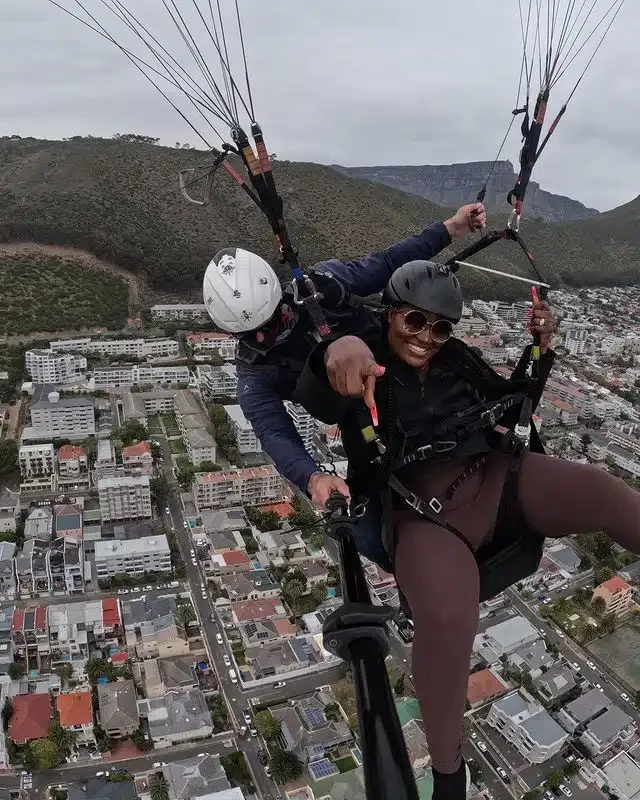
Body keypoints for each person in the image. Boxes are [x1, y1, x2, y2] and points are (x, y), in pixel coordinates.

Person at [292, 260, 640, 800]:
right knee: (450, 615)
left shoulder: (455, 360)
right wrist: (332, 351)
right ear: (389, 314)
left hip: (494, 476)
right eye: (415, 322)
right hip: (420, 510)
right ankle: (450, 774)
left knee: (603, 490)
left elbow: (514, 398)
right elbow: (317, 393)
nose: (427, 338)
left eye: (441, 327)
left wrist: (539, 350)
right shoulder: (365, 363)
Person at [202, 203, 487, 507]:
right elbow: (272, 430)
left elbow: (387, 262)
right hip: (362, 411)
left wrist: (452, 228)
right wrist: (313, 476)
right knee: (367, 528)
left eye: (271, 322)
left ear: (279, 298)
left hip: (403, 357)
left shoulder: (322, 286)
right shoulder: (254, 374)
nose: (262, 337)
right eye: (250, 335)